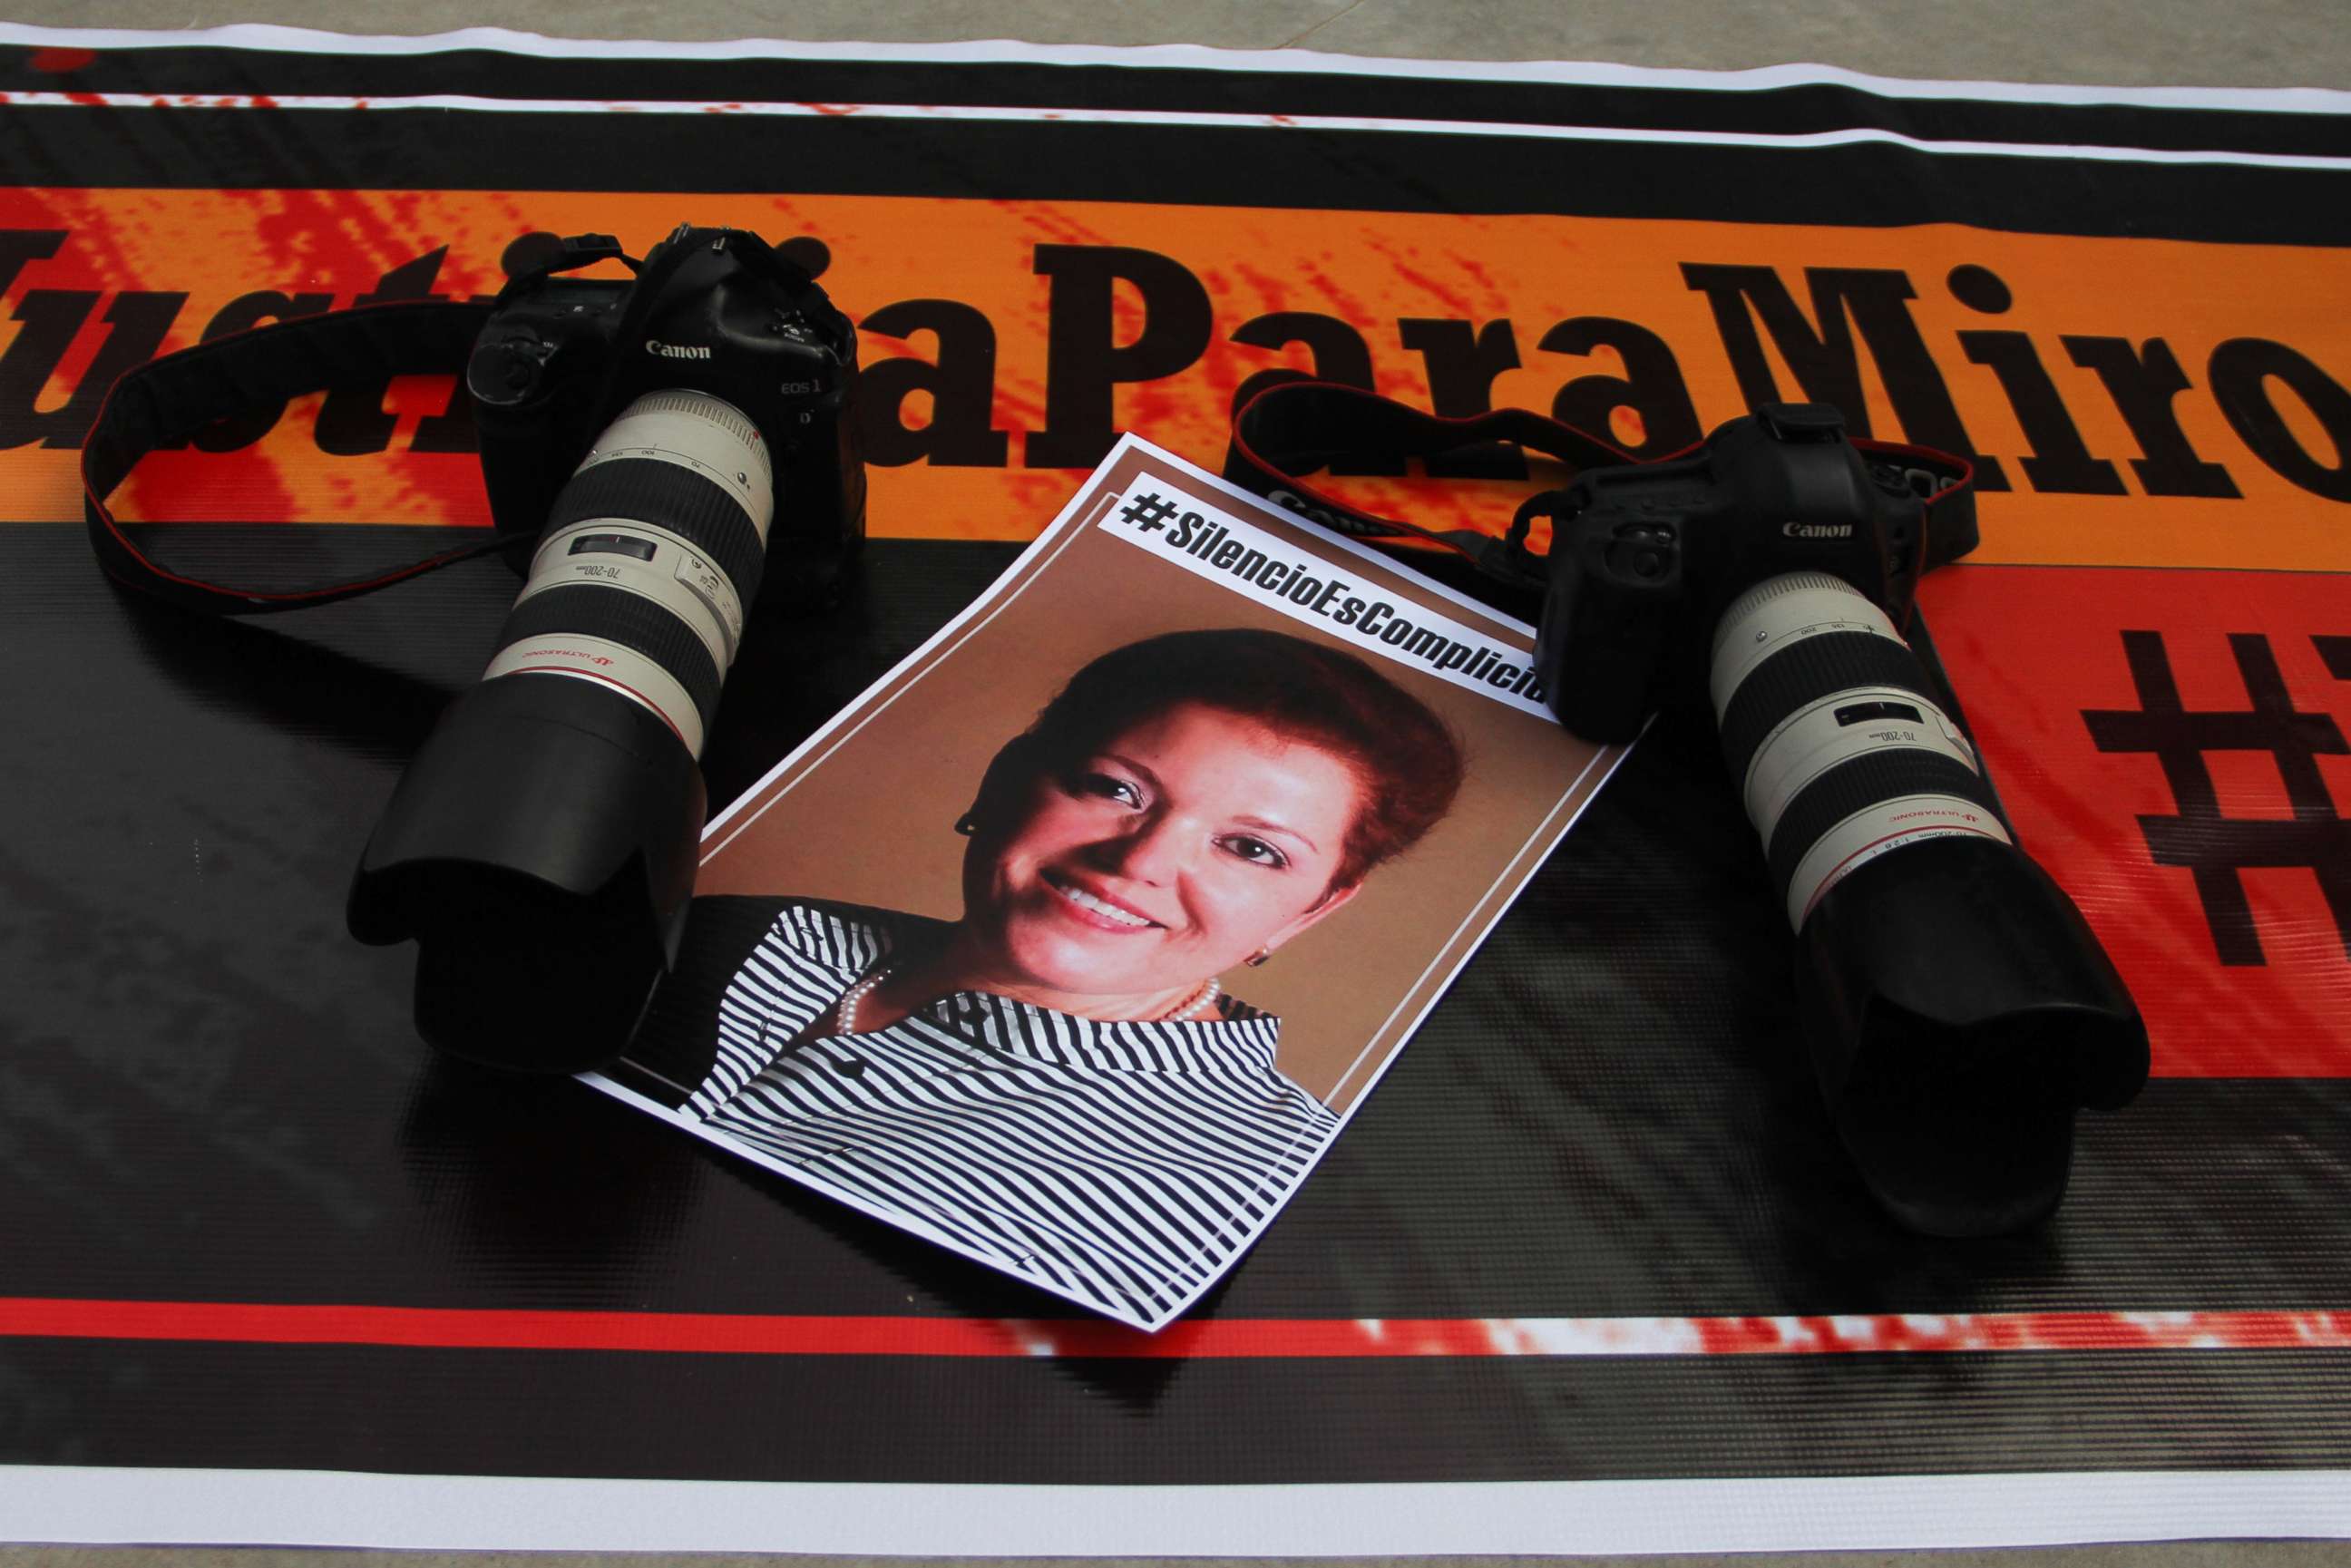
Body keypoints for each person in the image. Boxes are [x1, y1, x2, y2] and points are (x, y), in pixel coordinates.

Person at [622, 628, 1463, 1322]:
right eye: (1116, 788)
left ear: (1309, 911)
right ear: (1003, 778)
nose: (1138, 861)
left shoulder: (1274, 1190)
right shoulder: (733, 924)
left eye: (1252, 849)